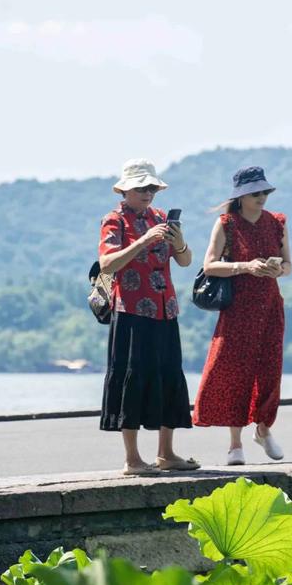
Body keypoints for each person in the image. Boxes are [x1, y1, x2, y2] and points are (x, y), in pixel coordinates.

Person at [98, 158, 200, 475]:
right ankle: (132, 459)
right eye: (142, 188)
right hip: (130, 311)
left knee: (169, 375)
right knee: (133, 377)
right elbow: (107, 264)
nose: (148, 193)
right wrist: (143, 241)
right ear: (126, 190)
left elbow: (184, 261)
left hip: (164, 307)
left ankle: (166, 453)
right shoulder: (115, 221)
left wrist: (178, 241)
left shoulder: (160, 218)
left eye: (152, 187)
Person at [193, 166, 292, 465]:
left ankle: (263, 429)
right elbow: (209, 265)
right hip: (238, 309)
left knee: (270, 372)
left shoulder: (277, 222)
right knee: (235, 373)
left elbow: (289, 265)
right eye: (255, 193)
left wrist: (277, 269)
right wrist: (245, 266)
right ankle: (234, 444)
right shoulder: (227, 223)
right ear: (241, 196)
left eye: (264, 192)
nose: (262, 197)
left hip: (270, 306)